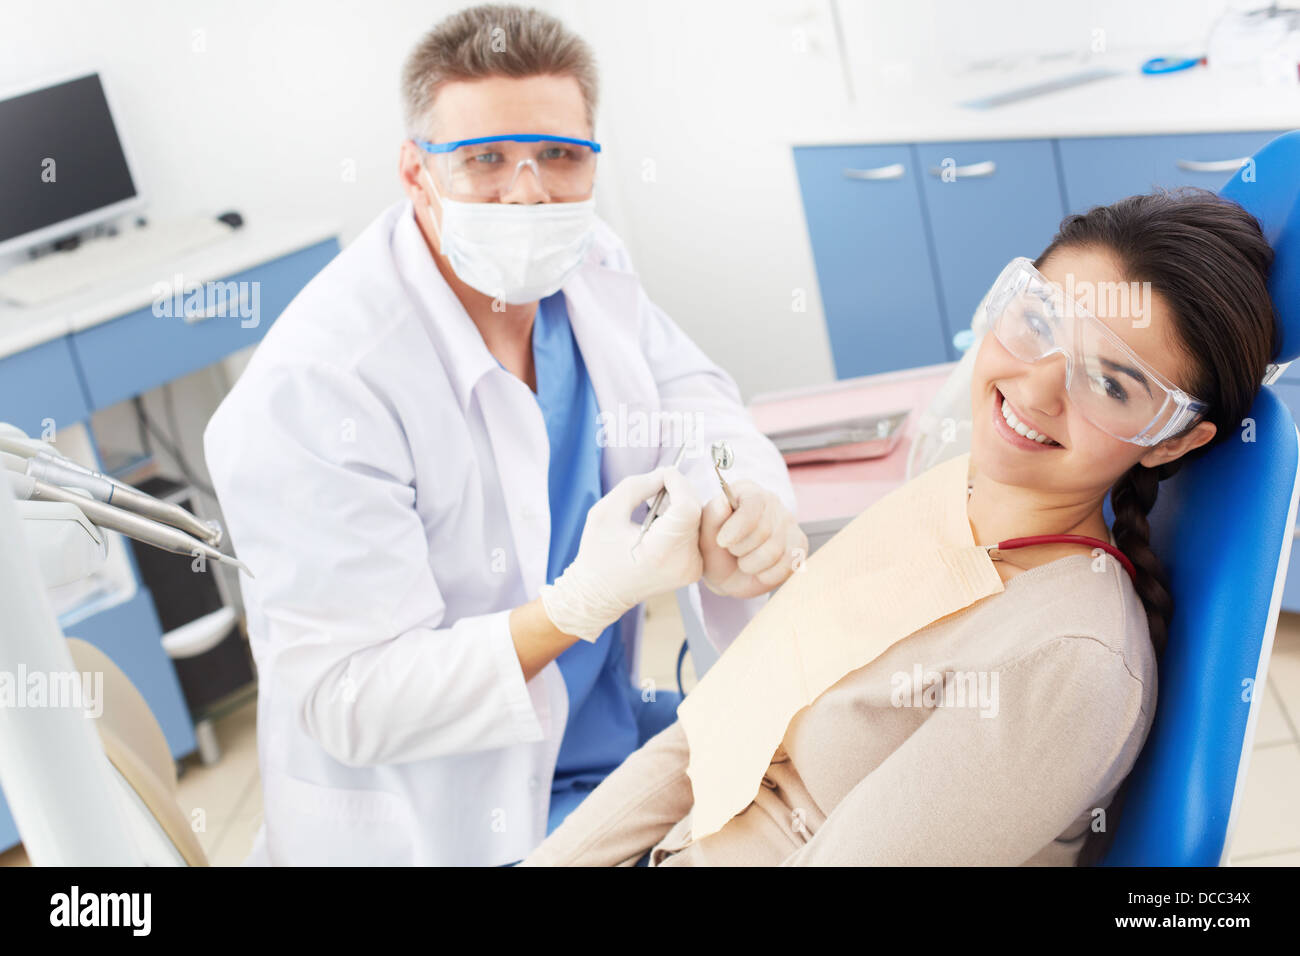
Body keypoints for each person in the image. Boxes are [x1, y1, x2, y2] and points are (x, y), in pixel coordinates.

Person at [202, 4, 804, 866]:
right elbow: (352, 699)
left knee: (825, 761)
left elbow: (695, 398)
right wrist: (577, 607)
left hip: (597, 742)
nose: (528, 193)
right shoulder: (319, 386)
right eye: (484, 161)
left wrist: (747, 497)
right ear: (416, 173)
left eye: (560, 157)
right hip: (448, 817)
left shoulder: (587, 264)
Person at [521, 188, 1279, 866]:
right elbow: (706, 739)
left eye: (1111, 382)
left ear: (1174, 440)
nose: (1037, 385)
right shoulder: (946, 498)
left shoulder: (1066, 664)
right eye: (1040, 321)